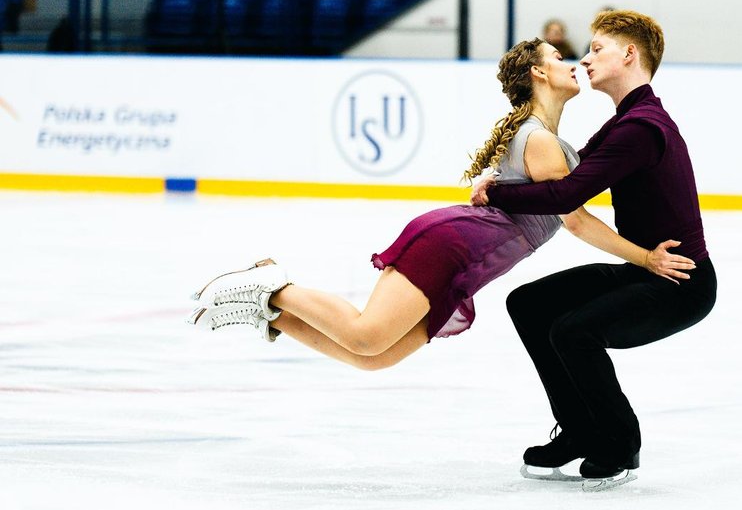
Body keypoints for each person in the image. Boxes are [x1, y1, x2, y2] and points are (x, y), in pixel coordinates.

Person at [187, 38, 695, 375]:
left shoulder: (547, 139)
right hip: (455, 246)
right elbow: (577, 220)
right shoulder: (541, 141)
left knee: (375, 358)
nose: (572, 63)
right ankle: (276, 282)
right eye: (559, 58)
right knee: (367, 338)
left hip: (470, 256)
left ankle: (269, 313)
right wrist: (644, 257)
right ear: (540, 74)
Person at [471, 9, 717, 485]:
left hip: (679, 281)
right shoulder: (627, 121)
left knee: (573, 332)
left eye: (597, 48)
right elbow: (570, 175)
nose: (585, 59)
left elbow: (566, 195)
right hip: (646, 271)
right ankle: (579, 431)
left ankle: (619, 446)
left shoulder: (640, 128)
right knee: (530, 303)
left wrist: (495, 192)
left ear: (629, 54)